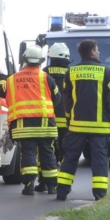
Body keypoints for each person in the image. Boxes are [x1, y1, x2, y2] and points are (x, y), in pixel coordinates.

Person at [56, 39, 110, 201]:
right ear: (92, 52)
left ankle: (62, 191)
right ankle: (99, 194)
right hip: (100, 128)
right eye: (97, 49)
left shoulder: (71, 72)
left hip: (76, 126)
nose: (99, 52)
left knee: (70, 158)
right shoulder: (107, 73)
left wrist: (69, 119)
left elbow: (66, 100)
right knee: (100, 160)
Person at [0, 45, 60, 195]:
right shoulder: (46, 78)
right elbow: (57, 99)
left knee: (28, 153)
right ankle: (51, 186)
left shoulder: (12, 80)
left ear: (24, 59)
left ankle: (29, 185)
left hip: (22, 125)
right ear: (41, 61)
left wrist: (1, 78)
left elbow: (1, 91)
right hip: (45, 124)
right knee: (47, 152)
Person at [35, 42, 71, 192]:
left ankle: (43, 182)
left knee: (45, 151)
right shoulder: (71, 73)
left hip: (47, 118)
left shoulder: (44, 73)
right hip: (67, 120)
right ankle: (61, 184)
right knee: (65, 153)